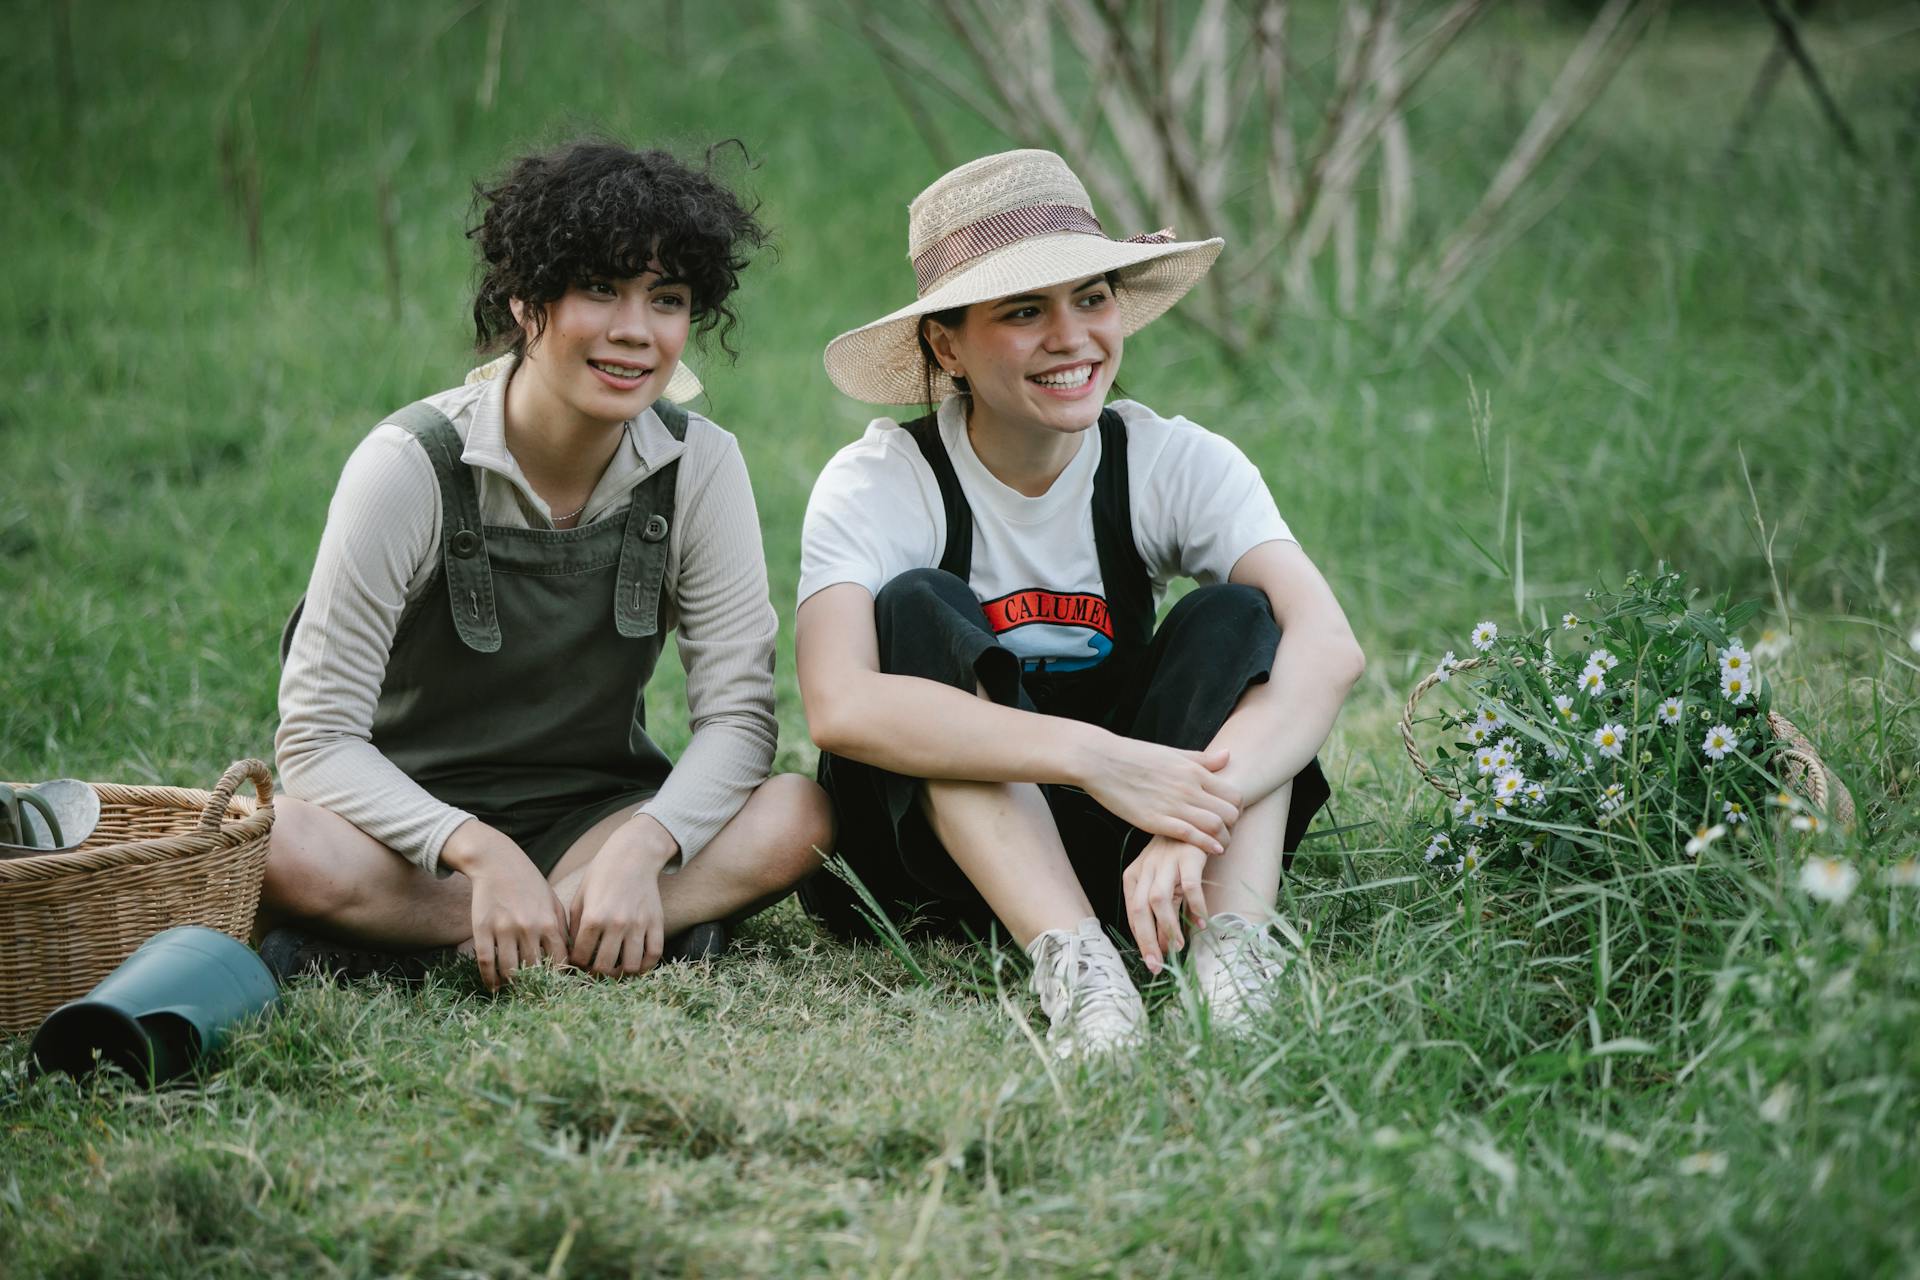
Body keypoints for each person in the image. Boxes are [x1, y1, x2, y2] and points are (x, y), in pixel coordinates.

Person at [793, 150, 1363, 1055]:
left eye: (1091, 299)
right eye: (1024, 310)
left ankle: (1232, 948)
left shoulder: (1172, 460)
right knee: (917, 604)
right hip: (939, 862)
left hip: (1129, 832)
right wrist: (1099, 760)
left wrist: (1189, 814)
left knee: (1243, 619)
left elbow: (1329, 648)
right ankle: (1078, 963)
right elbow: (839, 703)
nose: (1073, 337)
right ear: (946, 344)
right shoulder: (882, 481)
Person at [261, 140, 831, 991]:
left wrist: (645, 847)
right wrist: (476, 851)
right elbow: (315, 741)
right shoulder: (408, 463)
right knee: (270, 841)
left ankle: (447, 941)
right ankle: (583, 932)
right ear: (527, 302)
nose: (635, 331)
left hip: (598, 821)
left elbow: (741, 724)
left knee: (799, 812)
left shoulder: (700, 466)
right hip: (406, 838)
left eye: (666, 299)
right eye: (600, 289)